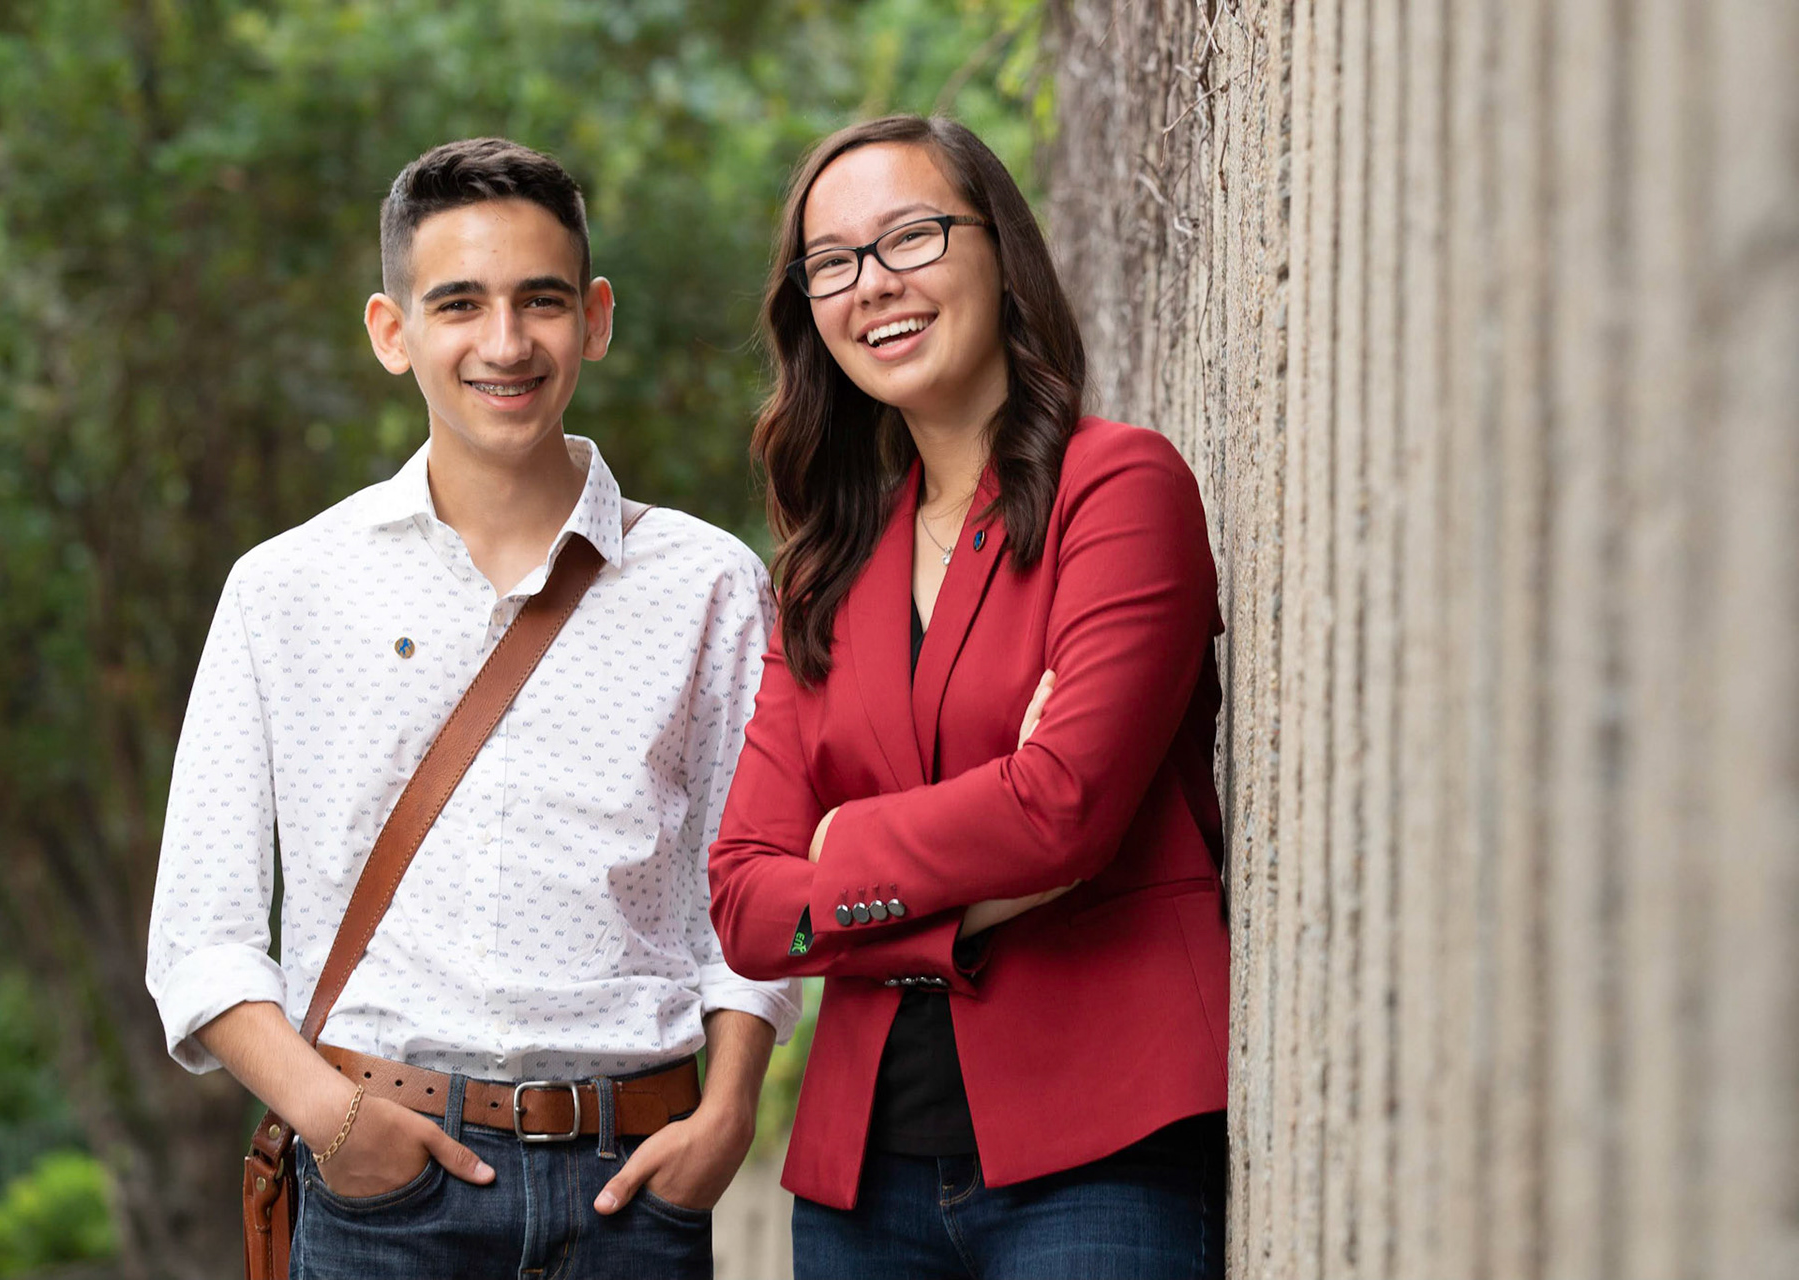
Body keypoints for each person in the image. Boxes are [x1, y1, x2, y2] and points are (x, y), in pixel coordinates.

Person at [145, 137, 799, 1278]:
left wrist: (730, 1109)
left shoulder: (709, 583)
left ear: (593, 319)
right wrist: (335, 1123)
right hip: (382, 1195)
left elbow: (754, 882)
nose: (506, 343)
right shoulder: (284, 590)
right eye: (460, 303)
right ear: (393, 332)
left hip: (635, 1192)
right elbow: (199, 939)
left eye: (540, 301)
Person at [707, 115, 1229, 1279]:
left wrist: (841, 852)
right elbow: (744, 900)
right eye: (831, 262)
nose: (872, 284)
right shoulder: (826, 576)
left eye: (910, 237)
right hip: (860, 1189)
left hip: (1102, 1146)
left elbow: (1065, 809)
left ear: (1001, 250)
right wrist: (986, 868)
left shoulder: (1119, 488)